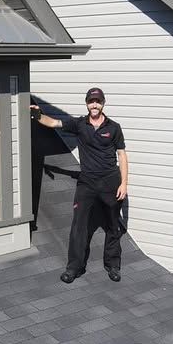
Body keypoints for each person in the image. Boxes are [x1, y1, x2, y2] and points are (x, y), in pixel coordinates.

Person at [31, 87, 128, 284]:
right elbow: (53, 122)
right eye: (91, 101)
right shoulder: (79, 124)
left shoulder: (114, 127)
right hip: (87, 183)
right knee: (79, 226)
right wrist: (37, 114)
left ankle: (113, 265)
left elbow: (122, 156)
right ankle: (74, 267)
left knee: (113, 225)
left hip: (110, 181)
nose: (95, 105)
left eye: (98, 101)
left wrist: (124, 183)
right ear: (86, 103)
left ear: (103, 103)